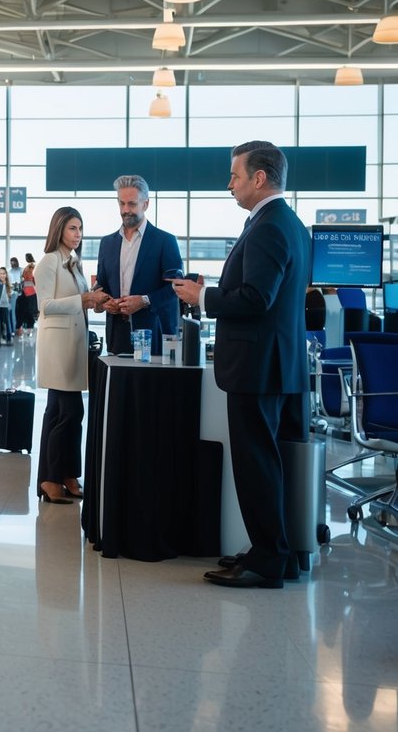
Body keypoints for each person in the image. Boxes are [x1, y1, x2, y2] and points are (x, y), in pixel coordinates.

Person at [172, 141, 311, 590]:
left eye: (235, 176)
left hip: (258, 365)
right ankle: (276, 554)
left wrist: (203, 297)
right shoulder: (288, 224)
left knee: (257, 466)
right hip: (276, 363)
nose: (229, 184)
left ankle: (268, 560)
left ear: (259, 178)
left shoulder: (269, 227)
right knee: (268, 463)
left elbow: (256, 299)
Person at [35, 208, 108, 504]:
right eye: (72, 229)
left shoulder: (74, 263)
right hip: (58, 348)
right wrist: (83, 299)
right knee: (69, 413)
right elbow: (45, 306)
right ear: (59, 229)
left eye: (80, 229)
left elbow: (79, 303)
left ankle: (65, 475)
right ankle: (52, 478)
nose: (78, 235)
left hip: (73, 345)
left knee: (64, 413)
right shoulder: (49, 261)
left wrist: (95, 301)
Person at [95, 175, 183, 356]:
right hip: (117, 334)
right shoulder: (107, 243)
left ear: (146, 204)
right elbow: (101, 285)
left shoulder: (165, 241)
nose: (125, 210)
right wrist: (105, 301)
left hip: (152, 333)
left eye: (132, 204)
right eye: (121, 203)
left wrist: (143, 301)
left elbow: (176, 288)